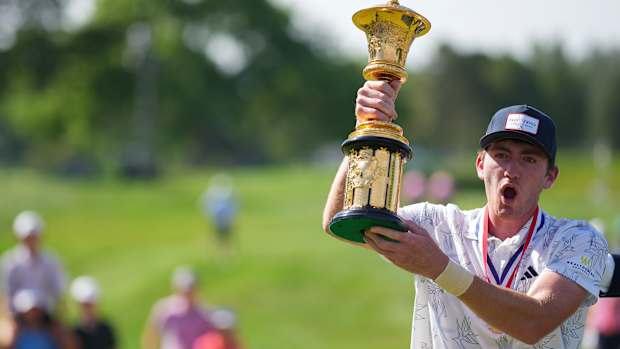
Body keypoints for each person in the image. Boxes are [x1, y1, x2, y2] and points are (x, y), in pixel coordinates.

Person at [322, 80, 610, 348]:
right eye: (501, 155)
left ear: (550, 176)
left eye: (529, 159)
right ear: (480, 164)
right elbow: (339, 217)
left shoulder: (577, 240)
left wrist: (439, 267)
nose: (512, 170)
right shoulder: (438, 224)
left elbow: (534, 322)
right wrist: (369, 128)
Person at [1, 211, 67, 315]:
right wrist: (8, 320)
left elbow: (58, 294)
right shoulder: (10, 261)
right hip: (18, 315)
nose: (31, 240)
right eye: (27, 237)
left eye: (34, 236)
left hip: (46, 314)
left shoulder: (52, 261)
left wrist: (59, 321)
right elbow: (6, 294)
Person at [142, 266, 214, 349]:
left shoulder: (204, 312)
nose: (189, 292)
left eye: (191, 288)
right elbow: (151, 335)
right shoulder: (164, 308)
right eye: (185, 289)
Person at [8, 288, 76, 349]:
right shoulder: (16, 332)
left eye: (36, 310)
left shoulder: (53, 330)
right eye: (30, 311)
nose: (33, 314)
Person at [70, 276, 117, 349]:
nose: (89, 308)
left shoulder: (106, 328)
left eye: (91, 303)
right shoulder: (75, 334)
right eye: (85, 304)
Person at [200, 174, 238, 248]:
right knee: (217, 235)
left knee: (226, 236)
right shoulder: (211, 194)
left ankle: (225, 250)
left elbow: (233, 207)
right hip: (216, 218)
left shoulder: (229, 195)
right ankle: (218, 251)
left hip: (225, 218)